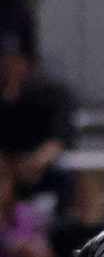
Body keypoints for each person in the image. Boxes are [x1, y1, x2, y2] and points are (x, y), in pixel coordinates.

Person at [0, 40, 72, 198]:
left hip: (45, 175)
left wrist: (36, 161)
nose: (9, 68)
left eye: (15, 61)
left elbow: (59, 140)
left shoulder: (52, 96)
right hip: (7, 174)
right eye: (5, 61)